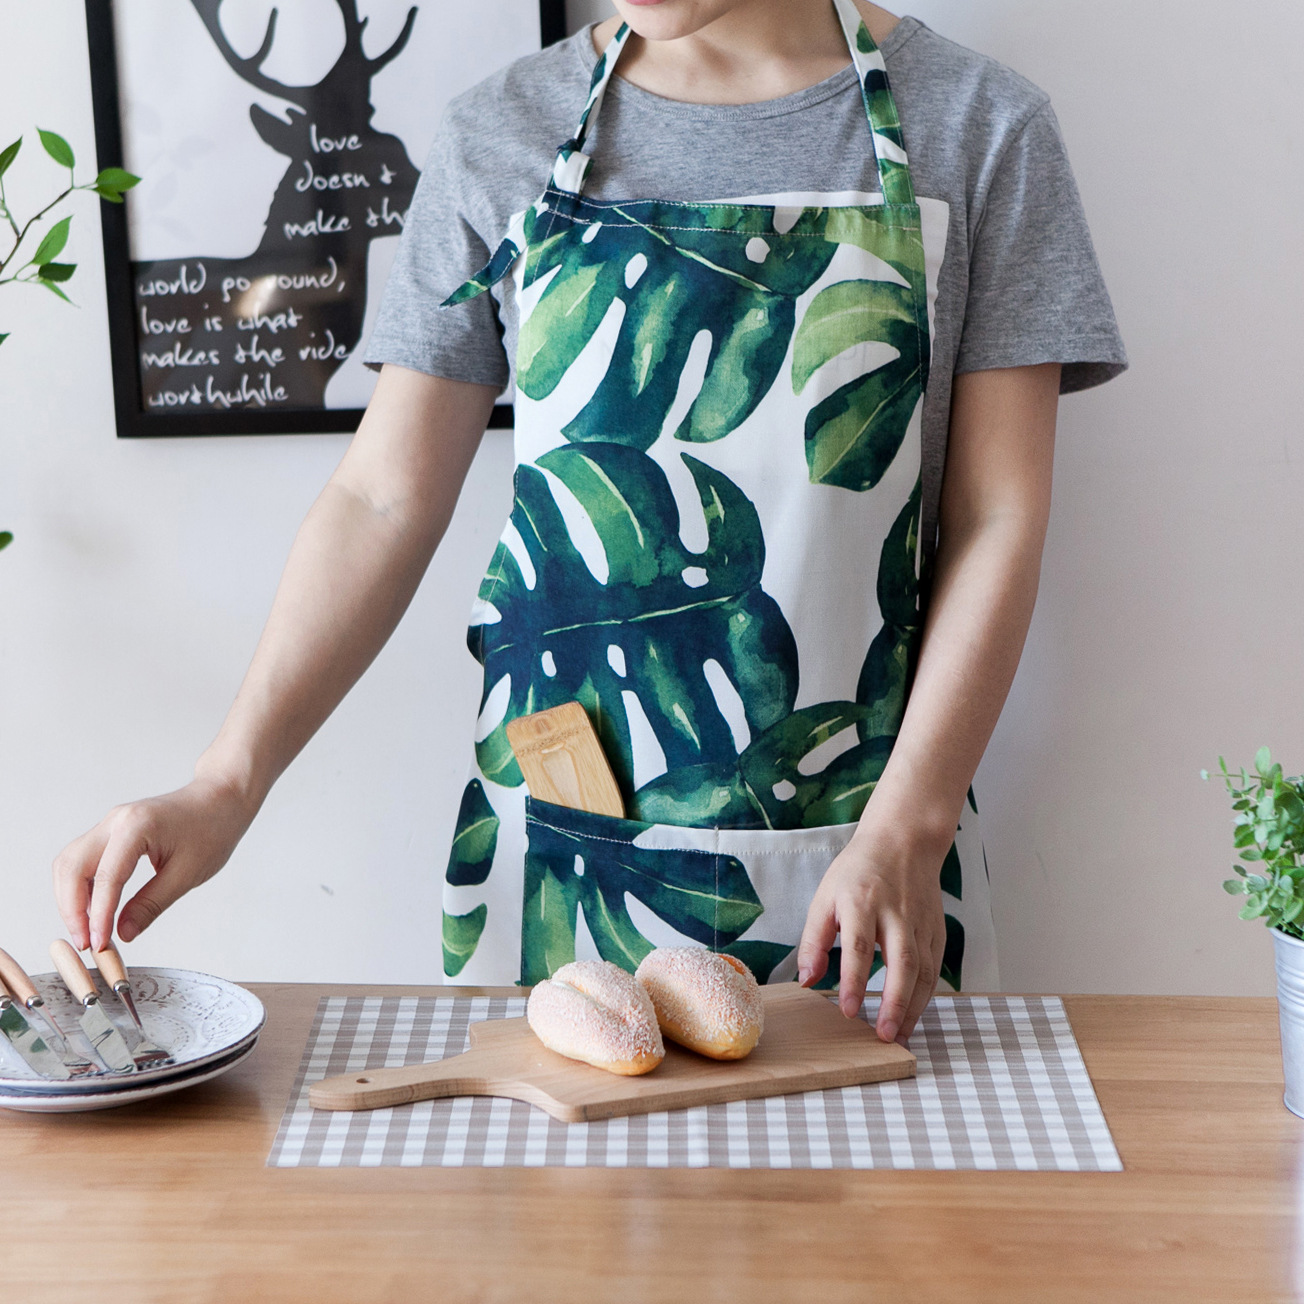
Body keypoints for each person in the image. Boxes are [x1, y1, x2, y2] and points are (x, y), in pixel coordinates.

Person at [53, 0, 1125, 1046]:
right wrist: (225, 781)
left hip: (874, 853)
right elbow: (379, 497)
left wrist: (909, 824)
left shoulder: (978, 128)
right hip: (563, 876)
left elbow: (996, 519)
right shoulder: (501, 131)